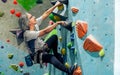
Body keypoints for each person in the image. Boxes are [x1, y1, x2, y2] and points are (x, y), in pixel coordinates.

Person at [18, 1, 79, 75]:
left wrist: (56, 5)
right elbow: (45, 31)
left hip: (42, 47)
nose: (34, 17)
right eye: (31, 17)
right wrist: (57, 23)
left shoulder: (34, 24)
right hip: (37, 56)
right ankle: (69, 71)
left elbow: (45, 14)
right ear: (28, 23)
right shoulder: (28, 34)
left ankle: (57, 55)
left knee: (54, 37)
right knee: (50, 58)